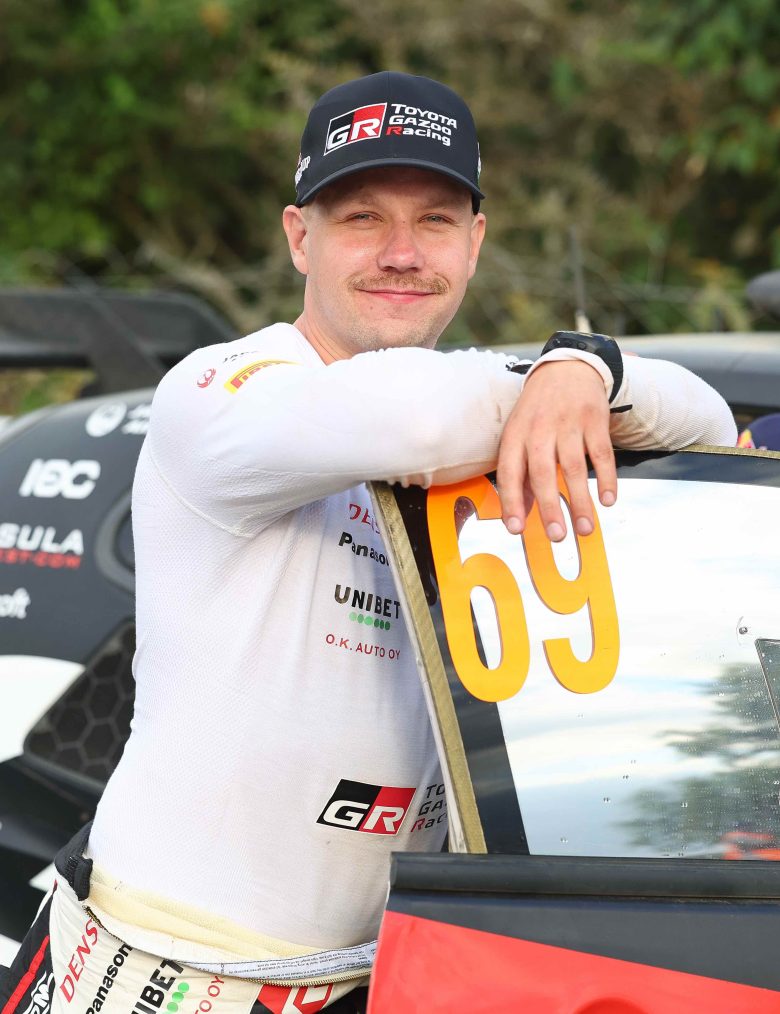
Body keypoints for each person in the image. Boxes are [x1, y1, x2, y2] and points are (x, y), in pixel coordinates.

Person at [1, 72, 736, 1014]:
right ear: (298, 237)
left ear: (475, 243)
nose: (401, 253)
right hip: (163, 967)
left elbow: (710, 422)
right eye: (361, 218)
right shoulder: (223, 391)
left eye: (435, 221)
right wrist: (564, 377)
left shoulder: (481, 397)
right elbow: (414, 421)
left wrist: (584, 364)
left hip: (386, 972)